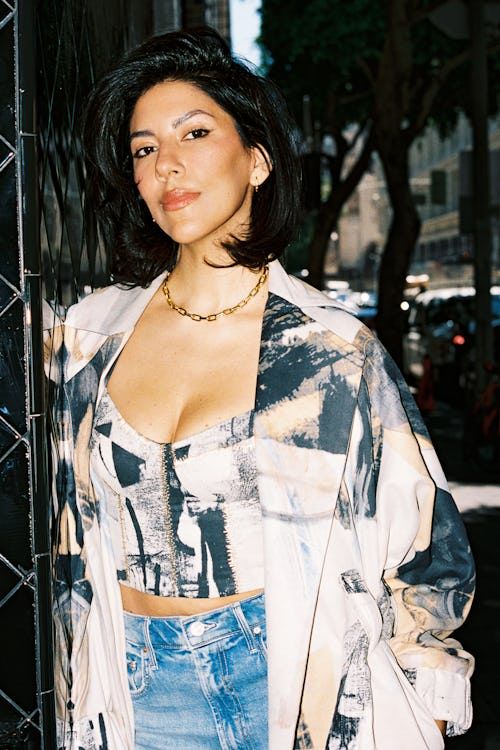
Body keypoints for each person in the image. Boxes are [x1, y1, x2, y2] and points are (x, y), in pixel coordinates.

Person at [45, 26, 475, 750]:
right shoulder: (88, 338)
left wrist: (429, 707)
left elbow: (425, 555)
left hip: (284, 682)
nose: (167, 164)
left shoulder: (331, 351)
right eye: (144, 149)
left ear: (258, 159)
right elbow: (62, 539)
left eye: (195, 133)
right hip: (131, 683)